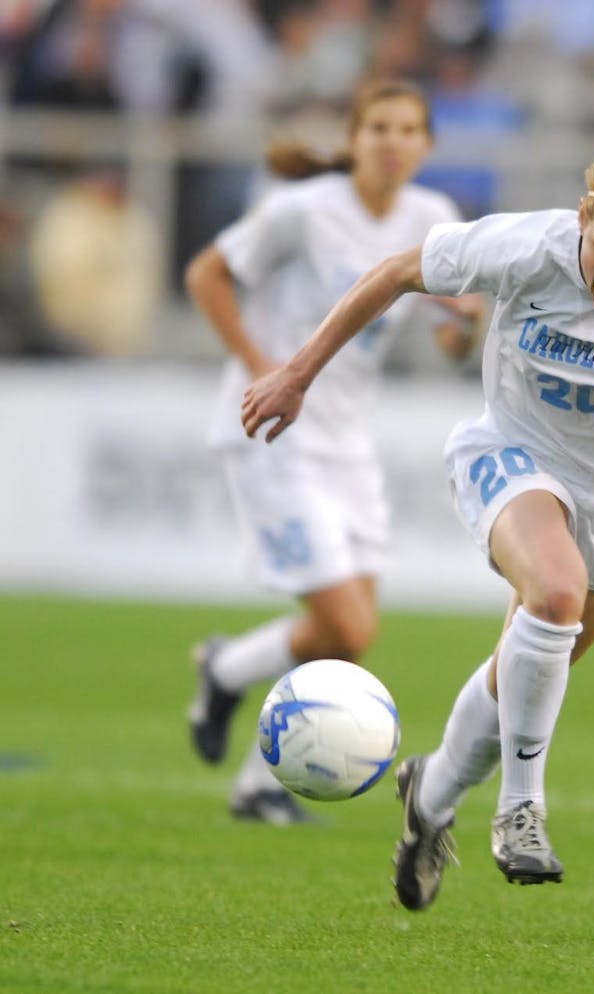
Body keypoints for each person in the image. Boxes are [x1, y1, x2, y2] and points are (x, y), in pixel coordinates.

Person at [240, 131, 594, 897]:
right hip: (509, 452)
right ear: (582, 217)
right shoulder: (523, 247)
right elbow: (395, 273)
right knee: (554, 592)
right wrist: (297, 374)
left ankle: (431, 798)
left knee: (527, 667)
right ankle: (520, 809)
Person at [185, 78, 481, 825]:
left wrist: (464, 326)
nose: (391, 141)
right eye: (377, 127)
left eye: (407, 129)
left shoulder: (433, 218)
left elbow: (451, 342)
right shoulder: (302, 212)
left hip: (348, 439)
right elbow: (206, 273)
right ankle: (226, 671)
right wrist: (262, 366)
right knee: (344, 625)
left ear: (426, 145)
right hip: (272, 430)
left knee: (353, 635)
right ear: (354, 140)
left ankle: (254, 777)